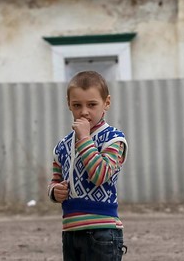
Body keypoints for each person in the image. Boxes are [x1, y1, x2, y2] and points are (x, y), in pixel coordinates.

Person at [48, 70, 128, 260]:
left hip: (102, 232)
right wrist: (54, 192)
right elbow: (55, 180)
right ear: (69, 105)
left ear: (106, 103)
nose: (84, 111)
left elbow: (100, 174)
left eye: (92, 104)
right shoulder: (62, 146)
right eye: (77, 105)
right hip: (70, 230)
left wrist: (84, 138)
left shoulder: (114, 139)